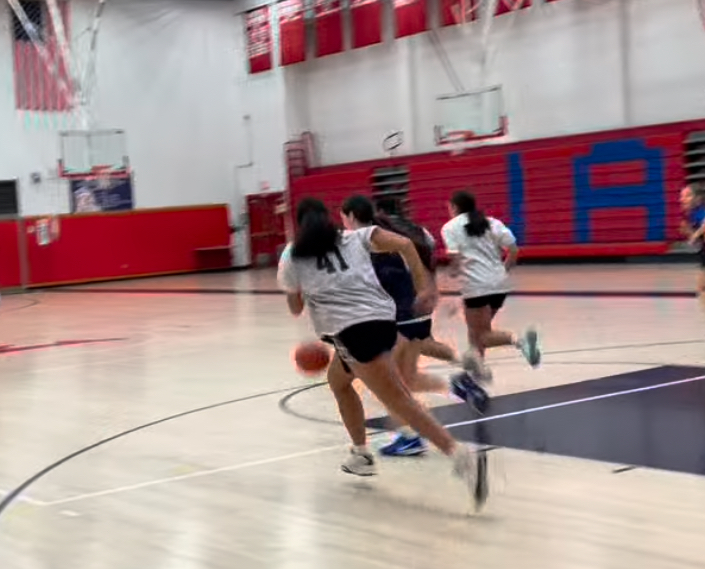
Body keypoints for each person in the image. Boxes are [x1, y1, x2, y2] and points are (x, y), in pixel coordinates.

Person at [277, 197, 487, 508]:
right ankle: (361, 454)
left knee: (399, 398)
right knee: (339, 381)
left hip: (353, 332)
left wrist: (306, 289)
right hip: (382, 322)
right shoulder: (355, 237)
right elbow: (404, 244)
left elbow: (295, 309)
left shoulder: (293, 255)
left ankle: (459, 455)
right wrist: (424, 285)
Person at [339, 195, 487, 458]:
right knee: (410, 373)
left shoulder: (364, 240)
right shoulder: (415, 231)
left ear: (350, 216)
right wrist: (430, 289)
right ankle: (458, 383)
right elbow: (428, 259)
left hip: (399, 312)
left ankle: (409, 437)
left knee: (393, 385)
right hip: (419, 306)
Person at [441, 190, 541, 382]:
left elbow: (456, 259)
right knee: (477, 330)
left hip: (476, 286)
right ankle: (476, 372)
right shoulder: (492, 222)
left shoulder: (450, 227)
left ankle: (520, 340)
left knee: (481, 335)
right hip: (499, 284)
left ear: (454, 207)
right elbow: (513, 249)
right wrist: (503, 271)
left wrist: (449, 277)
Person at [679, 184, 705, 304]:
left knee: (701, 290)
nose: (682, 199)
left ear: (698, 198)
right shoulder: (692, 215)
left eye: (687, 196)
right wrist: (689, 232)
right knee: (701, 290)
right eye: (682, 196)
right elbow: (698, 241)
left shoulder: (701, 210)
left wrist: (694, 235)